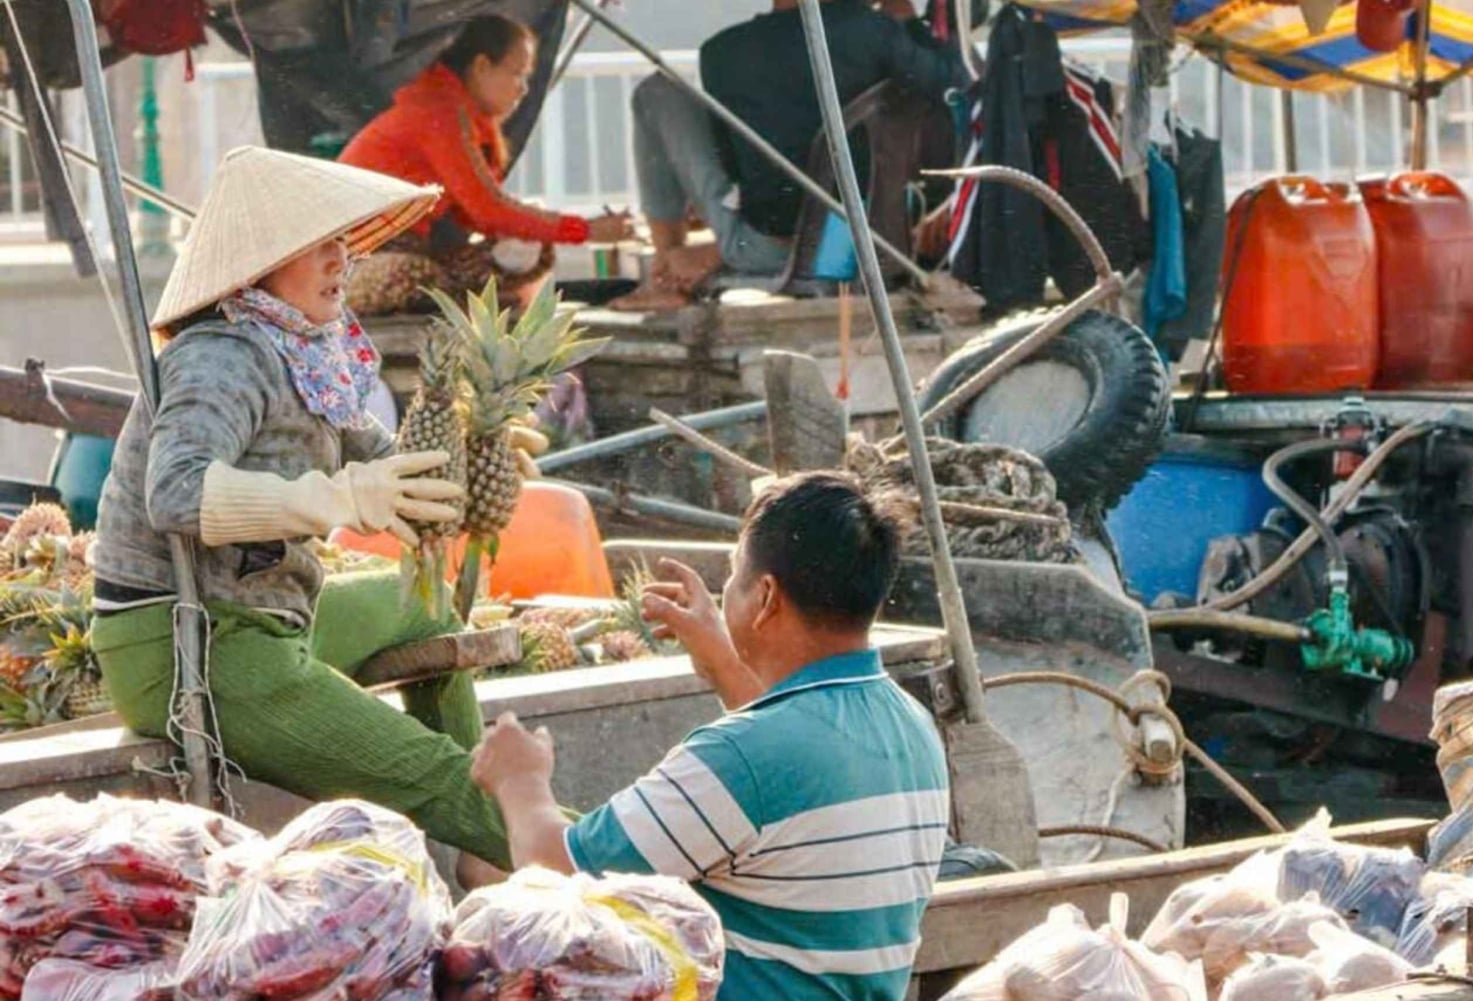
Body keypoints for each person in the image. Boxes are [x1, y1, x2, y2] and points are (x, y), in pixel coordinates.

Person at [91, 146, 527, 888]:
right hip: (189, 645)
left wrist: (472, 454)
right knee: (439, 776)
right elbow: (177, 491)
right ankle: (621, 860)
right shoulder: (220, 355)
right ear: (259, 264)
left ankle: (485, 856)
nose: (341, 260)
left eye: (342, 242)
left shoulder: (303, 350)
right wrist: (337, 497)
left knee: (426, 607)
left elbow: (383, 456)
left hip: (266, 618)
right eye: (319, 244)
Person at [471, 472, 951, 1000]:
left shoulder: (746, 755)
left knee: (486, 882)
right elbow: (787, 791)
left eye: (733, 576)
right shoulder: (912, 724)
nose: (726, 594)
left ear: (765, 597)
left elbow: (557, 872)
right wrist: (723, 661)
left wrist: (521, 779)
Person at [611, 0, 966, 311]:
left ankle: (668, 270)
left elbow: (734, 166)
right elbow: (957, 93)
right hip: (883, 244)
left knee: (656, 93)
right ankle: (688, 262)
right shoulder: (877, 35)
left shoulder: (722, 52)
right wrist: (906, 19)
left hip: (767, 249)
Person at [339, 15, 631, 312]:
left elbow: (479, 217)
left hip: (418, 249)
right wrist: (585, 229)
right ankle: (460, 299)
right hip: (356, 261)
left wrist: (550, 229)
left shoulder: (464, 116)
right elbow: (488, 210)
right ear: (481, 67)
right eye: (517, 74)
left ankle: (459, 297)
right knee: (410, 277)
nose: (523, 89)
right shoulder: (438, 110)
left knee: (531, 250)